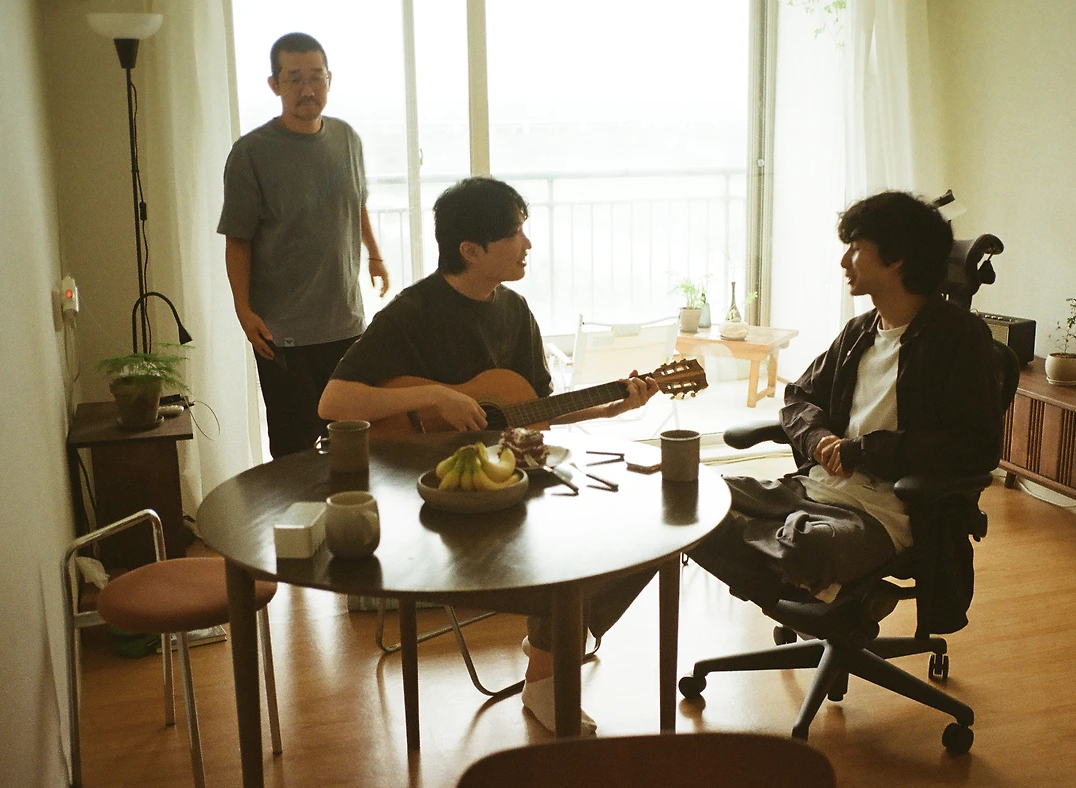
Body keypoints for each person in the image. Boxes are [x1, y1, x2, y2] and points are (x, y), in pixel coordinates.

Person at [319, 176, 659, 733]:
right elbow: (333, 402)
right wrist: (434, 396)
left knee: (636, 539)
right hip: (425, 493)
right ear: (471, 250)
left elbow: (530, 410)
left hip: (504, 481)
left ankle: (549, 646)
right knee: (567, 555)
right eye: (516, 233)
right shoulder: (413, 312)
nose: (528, 244)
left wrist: (607, 408)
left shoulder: (515, 311)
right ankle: (549, 666)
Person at [687, 190, 1002, 620]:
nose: (843, 261)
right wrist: (817, 439)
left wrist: (864, 451)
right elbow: (798, 397)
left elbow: (974, 446)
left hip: (882, 515)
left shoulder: (959, 339)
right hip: (811, 490)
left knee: (804, 549)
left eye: (855, 248)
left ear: (896, 259)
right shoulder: (859, 332)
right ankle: (801, 568)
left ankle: (788, 558)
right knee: (688, 495)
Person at [218, 32, 390, 459]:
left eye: (316, 77)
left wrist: (375, 255)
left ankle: (351, 505)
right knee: (294, 451)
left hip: (346, 323)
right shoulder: (251, 153)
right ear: (274, 85)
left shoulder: (347, 138)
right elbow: (238, 239)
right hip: (283, 332)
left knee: (355, 442)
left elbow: (357, 202)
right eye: (294, 78)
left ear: (330, 80)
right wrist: (243, 310)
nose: (307, 89)